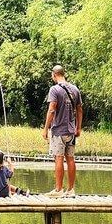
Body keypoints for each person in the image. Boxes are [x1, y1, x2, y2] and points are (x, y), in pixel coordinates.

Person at [41, 65, 83, 197]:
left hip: (59, 130)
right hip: (71, 132)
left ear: (54, 75)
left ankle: (58, 190)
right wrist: (78, 127)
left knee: (58, 158)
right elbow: (80, 109)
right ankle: (71, 190)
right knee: (70, 159)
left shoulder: (54, 89)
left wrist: (46, 128)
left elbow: (52, 109)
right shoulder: (75, 89)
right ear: (63, 74)